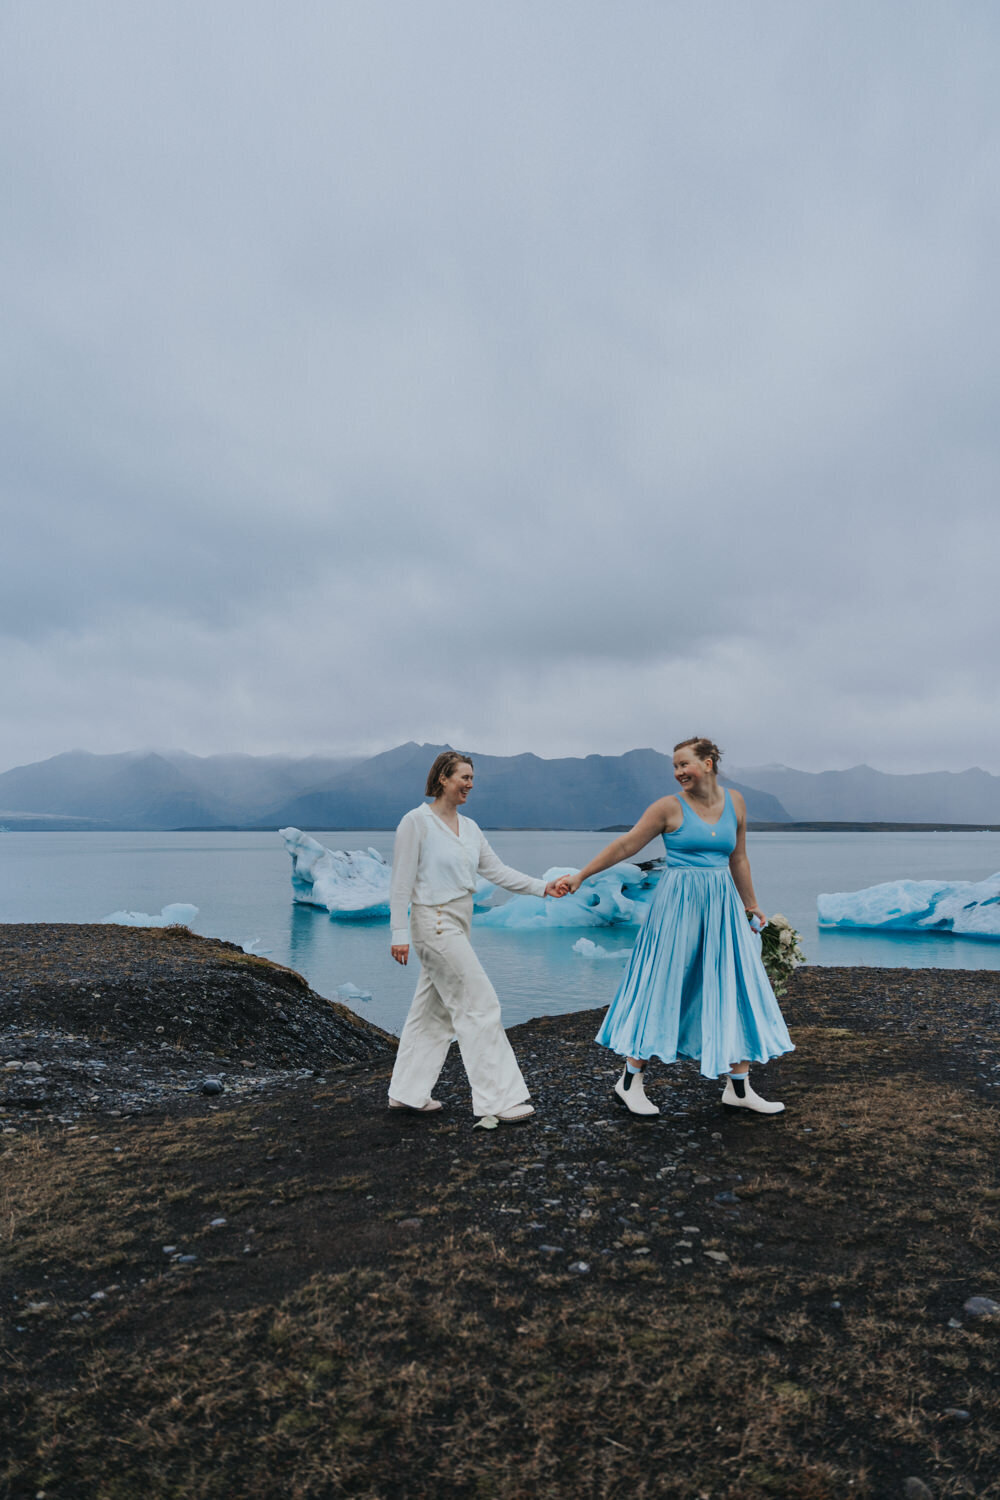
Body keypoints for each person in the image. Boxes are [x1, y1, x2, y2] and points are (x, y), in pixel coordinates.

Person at [558, 737, 793, 1117]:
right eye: (674, 767)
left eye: (685, 764)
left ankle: (738, 1087)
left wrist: (751, 903)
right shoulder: (668, 807)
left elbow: (739, 857)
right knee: (661, 985)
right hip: (678, 907)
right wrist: (582, 875)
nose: (678, 772)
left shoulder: (736, 802)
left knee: (733, 985)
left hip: (722, 906)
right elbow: (626, 846)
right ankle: (629, 1082)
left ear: (709, 762)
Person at [388, 750, 565, 1122]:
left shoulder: (469, 828)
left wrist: (542, 887)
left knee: (432, 1013)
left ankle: (406, 1092)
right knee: (479, 1004)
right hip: (433, 923)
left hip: (458, 922)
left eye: (472, 778)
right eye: (463, 777)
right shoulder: (416, 822)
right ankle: (497, 1100)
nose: (470, 784)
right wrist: (398, 933)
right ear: (442, 779)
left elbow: (496, 871)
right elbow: (400, 882)